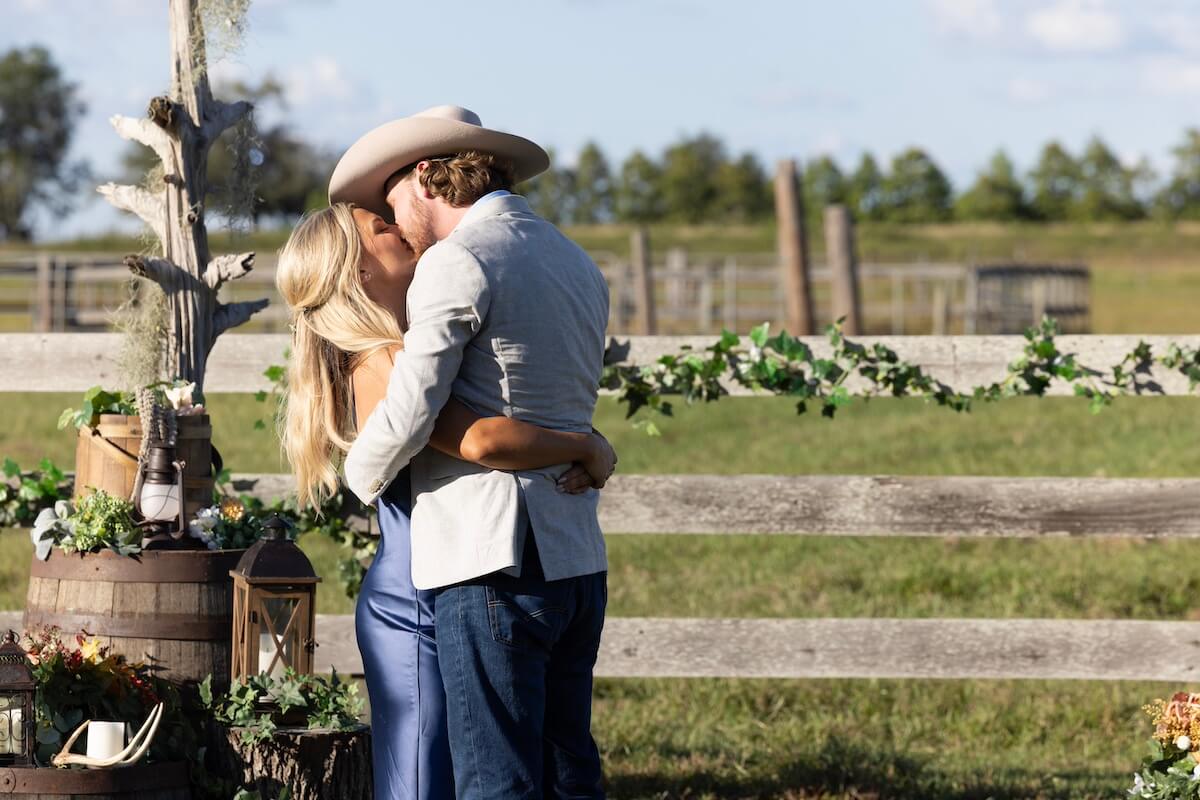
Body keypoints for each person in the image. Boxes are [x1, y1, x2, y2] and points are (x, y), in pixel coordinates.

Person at [275, 200, 615, 800]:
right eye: (382, 227)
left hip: (438, 579)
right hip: (420, 599)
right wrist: (584, 446)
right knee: (439, 776)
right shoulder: (388, 362)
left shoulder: (405, 347)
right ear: (356, 270)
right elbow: (482, 438)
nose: (399, 226)